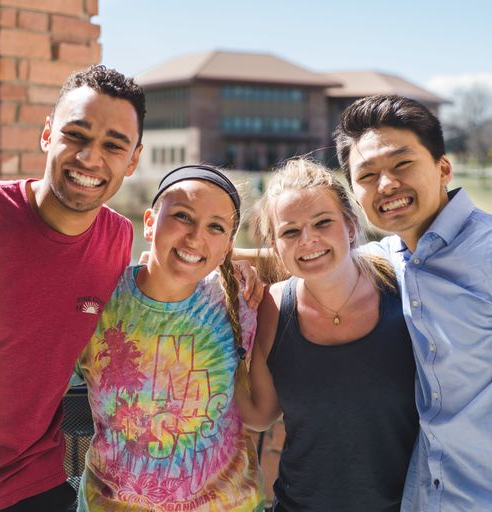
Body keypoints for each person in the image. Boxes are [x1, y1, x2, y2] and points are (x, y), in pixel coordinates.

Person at [0, 65, 145, 512]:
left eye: (113, 146)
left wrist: (241, 271)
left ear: (132, 160)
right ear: (47, 134)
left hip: (34, 479)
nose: (91, 159)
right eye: (76, 135)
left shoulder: (117, 238)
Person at [72, 165, 265, 511]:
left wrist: (243, 262)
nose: (194, 237)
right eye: (182, 217)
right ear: (149, 222)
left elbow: (319, 260)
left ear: (227, 247)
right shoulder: (98, 300)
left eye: (215, 227)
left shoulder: (241, 304)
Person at [334, 94, 492, 512]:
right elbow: (316, 266)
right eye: (367, 175)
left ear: (443, 168)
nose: (386, 185)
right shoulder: (387, 259)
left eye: (402, 164)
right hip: (427, 498)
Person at [236, 158, 418, 511]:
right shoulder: (272, 307)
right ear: (274, 244)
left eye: (323, 223)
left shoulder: (402, 286)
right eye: (290, 232)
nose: (309, 241)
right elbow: (260, 413)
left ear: (350, 226)